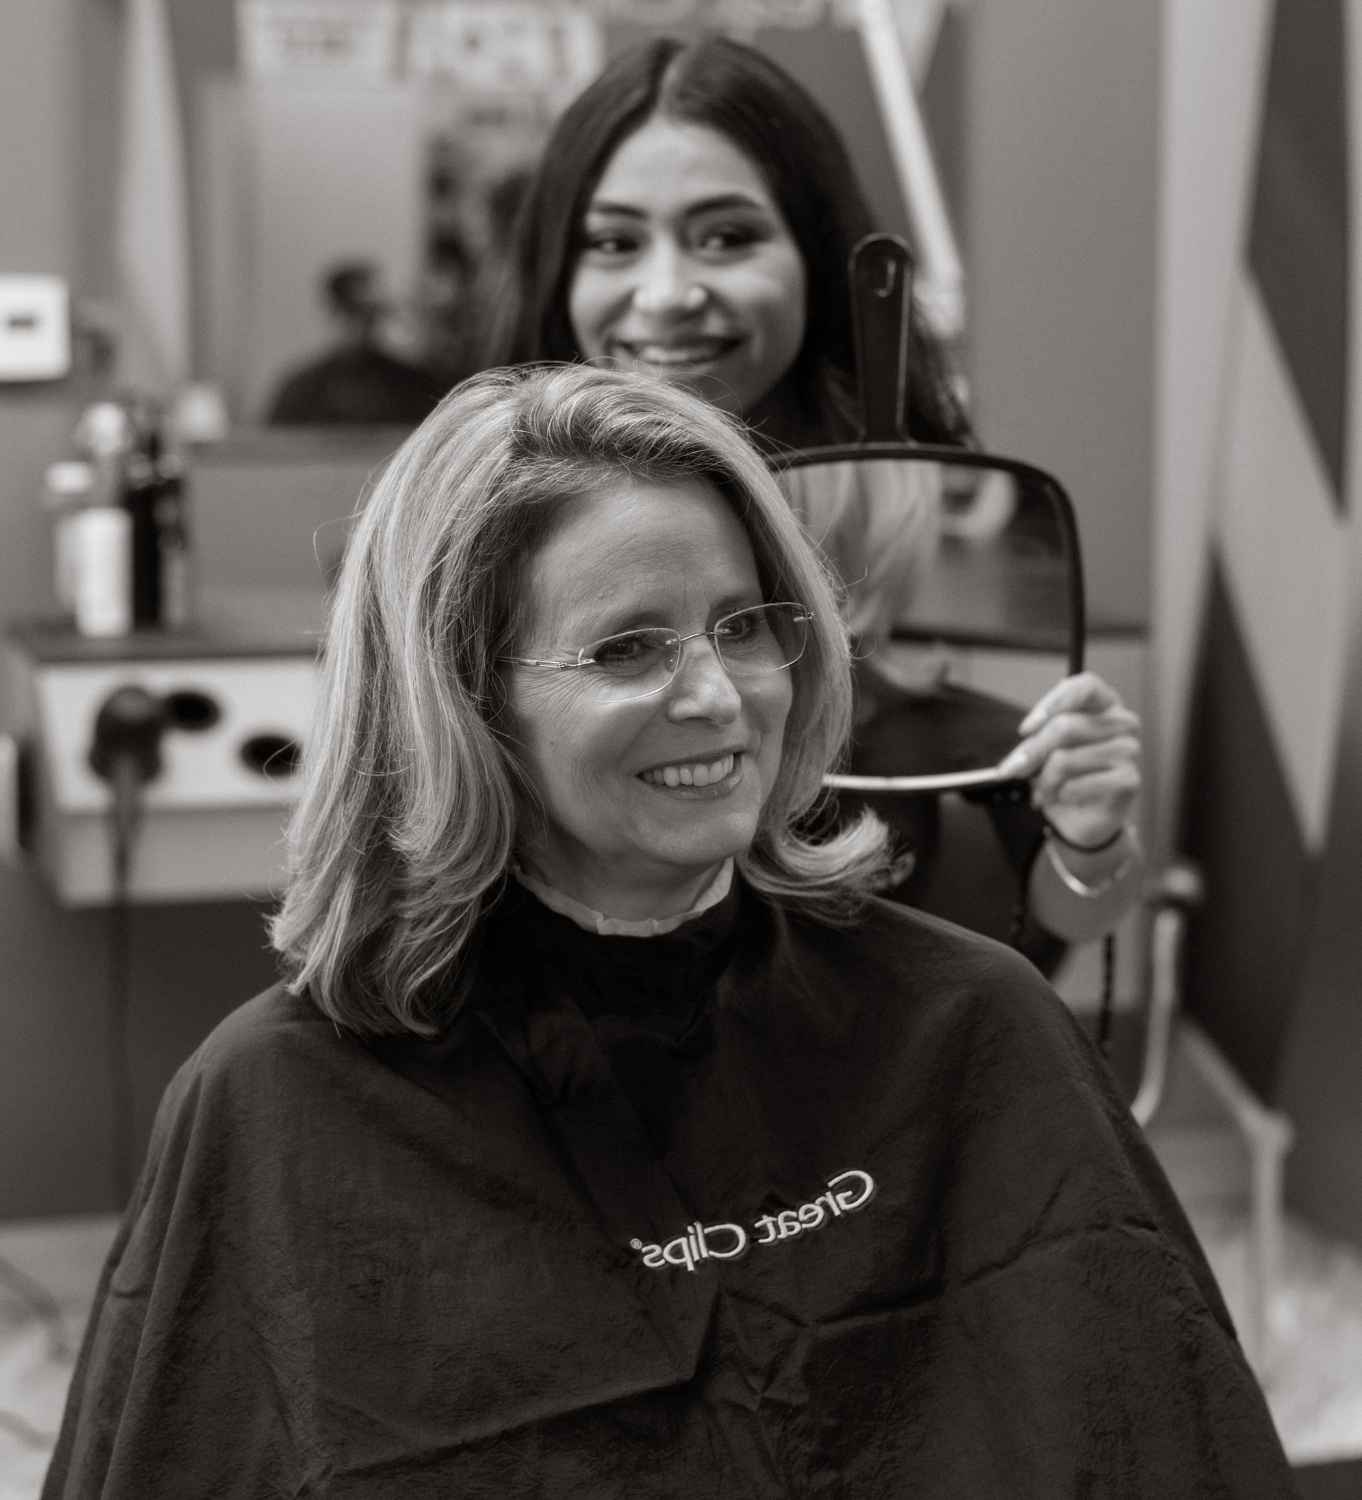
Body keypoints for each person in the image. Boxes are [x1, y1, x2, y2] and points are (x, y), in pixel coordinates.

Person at [44, 365, 1292, 1496]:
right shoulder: (274, 1106)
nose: (716, 696)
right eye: (628, 648)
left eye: (744, 626)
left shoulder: (969, 1023)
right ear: (463, 703)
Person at [486, 33, 1143, 977]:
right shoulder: (473, 543)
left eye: (727, 235)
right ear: (559, 274)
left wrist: (1090, 846)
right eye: (614, 242)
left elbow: (1053, 931)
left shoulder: (906, 623)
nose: (666, 293)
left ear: (816, 263)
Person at [264, 259, 445, 428]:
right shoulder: (303, 390)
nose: (362, 325)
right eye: (354, 312)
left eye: (371, 313)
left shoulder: (412, 384)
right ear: (335, 311)